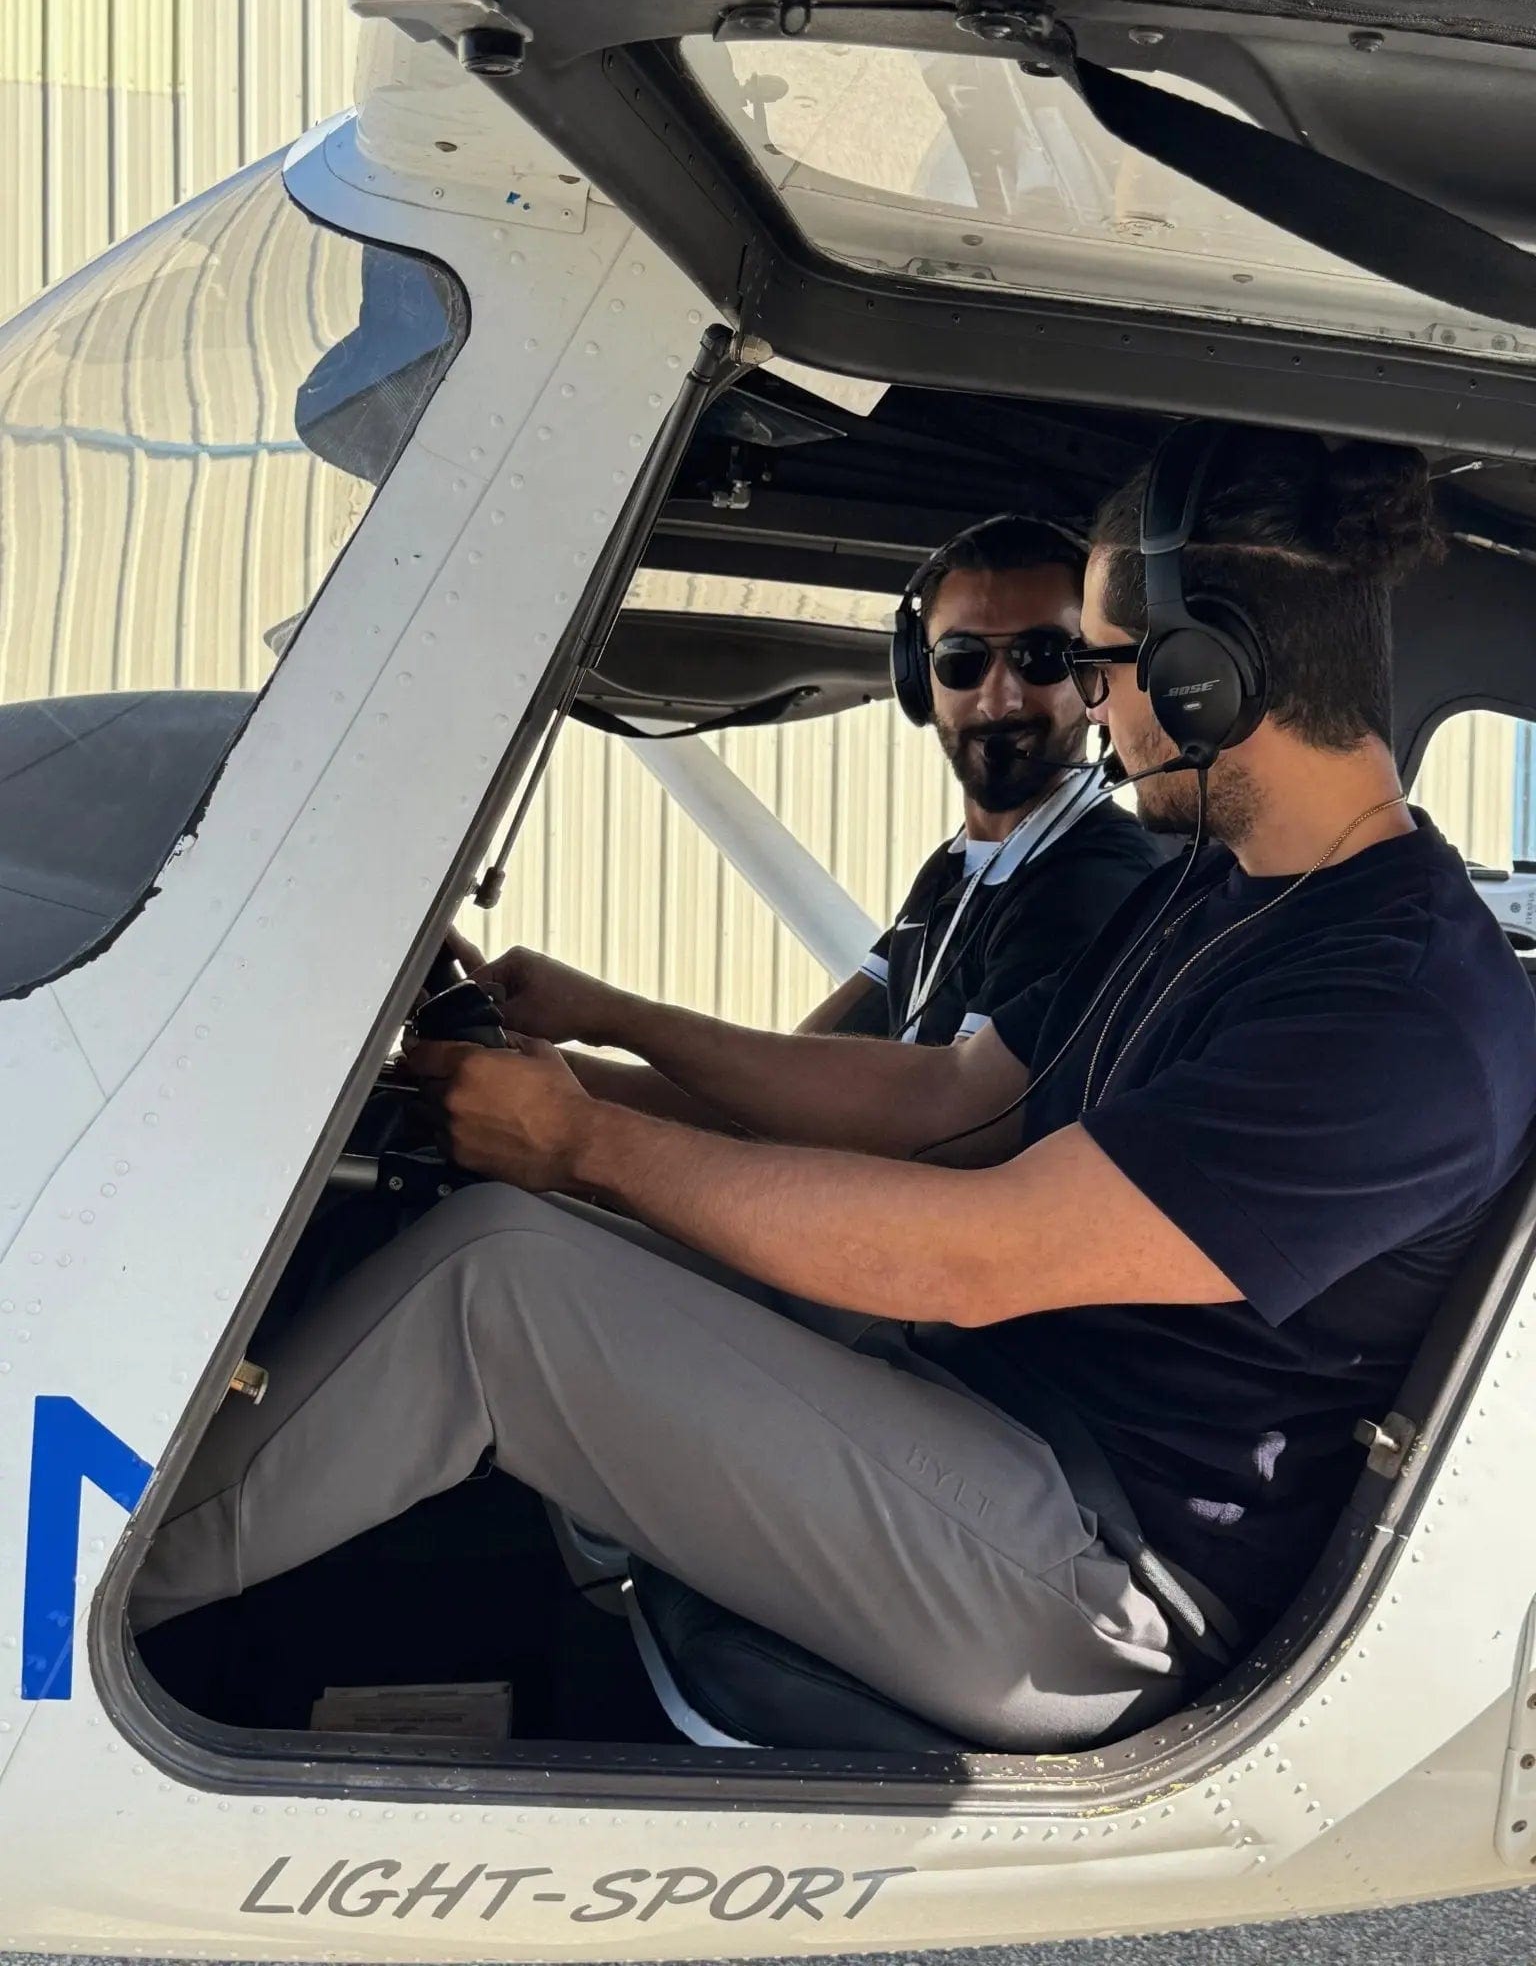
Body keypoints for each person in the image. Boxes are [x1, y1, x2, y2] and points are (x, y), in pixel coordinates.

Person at [135, 426, 1536, 1754]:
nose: (1093, 709)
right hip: (990, 1421)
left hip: (1099, 1578)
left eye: (1099, 665)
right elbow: (946, 1100)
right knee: (536, 1233)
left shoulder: (1395, 1010)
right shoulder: (1219, 896)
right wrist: (596, 1069)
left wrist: (587, 1144)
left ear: (1205, 680)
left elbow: (984, 1254)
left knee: (492, 1288)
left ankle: (79, 1625)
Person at [799, 513, 1159, 1044]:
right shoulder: (956, 867)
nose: (998, 700)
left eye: (1040, 657)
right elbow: (807, 1052)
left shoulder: (1095, 878)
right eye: (962, 659)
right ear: (918, 678)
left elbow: (953, 1092)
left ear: (1095, 673)